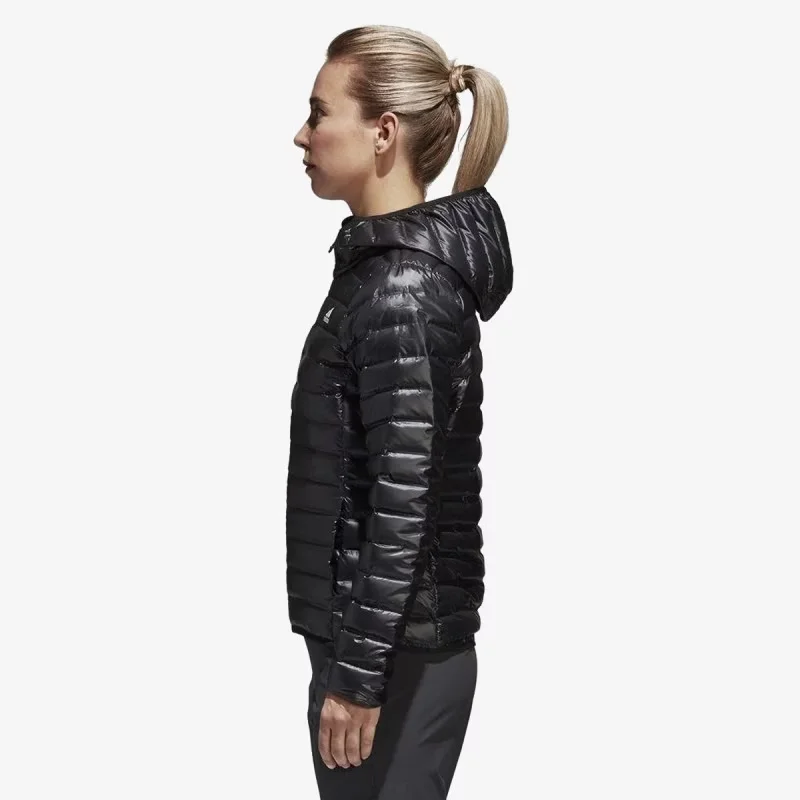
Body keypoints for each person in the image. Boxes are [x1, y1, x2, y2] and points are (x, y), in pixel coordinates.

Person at [286, 24, 514, 799]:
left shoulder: (402, 291)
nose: (302, 134)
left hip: (393, 659)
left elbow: (403, 501)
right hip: (375, 645)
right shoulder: (378, 273)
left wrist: (357, 678)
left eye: (319, 113)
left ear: (383, 132)